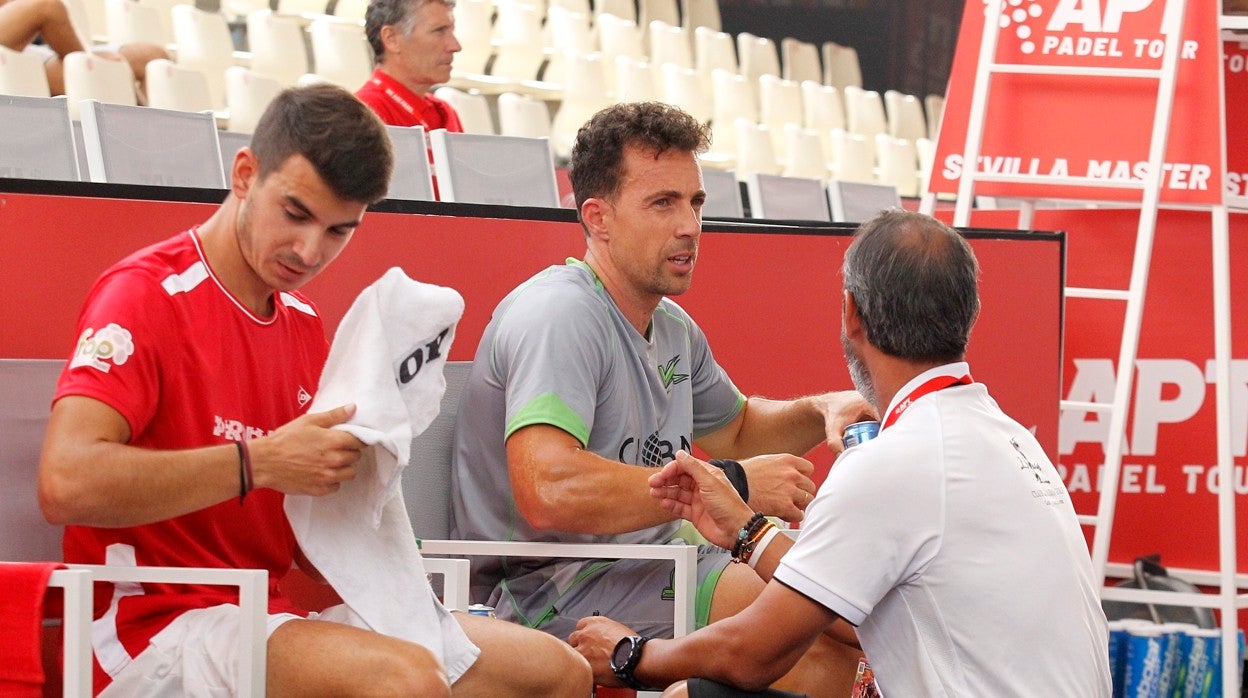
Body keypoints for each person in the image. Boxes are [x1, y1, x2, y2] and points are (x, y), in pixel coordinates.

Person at [37, 83, 590, 696]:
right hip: (143, 631)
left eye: (338, 231)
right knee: (404, 680)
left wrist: (358, 491)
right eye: (296, 214)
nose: (309, 250)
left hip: (262, 618)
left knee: (553, 673)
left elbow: (308, 544)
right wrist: (261, 462)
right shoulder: (145, 295)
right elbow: (66, 484)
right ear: (245, 173)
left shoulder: (302, 323)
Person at [568, 209, 1113, 697]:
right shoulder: (1010, 436)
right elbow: (851, 605)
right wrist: (747, 532)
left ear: (852, 312)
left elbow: (753, 653)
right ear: (968, 312)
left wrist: (631, 656)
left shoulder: (892, 462)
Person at [450, 101, 875, 696]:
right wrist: (733, 485)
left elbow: (741, 428)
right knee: (804, 623)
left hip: (655, 562)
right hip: (546, 589)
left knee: (834, 601)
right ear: (597, 218)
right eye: (662, 203)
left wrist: (821, 408)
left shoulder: (671, 325)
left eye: (695, 202)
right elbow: (547, 490)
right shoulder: (560, 314)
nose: (689, 225)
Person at [0, 0, 167, 99]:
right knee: (47, 5)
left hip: (36, 47)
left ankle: (93, 68)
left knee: (153, 56)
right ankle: (93, 69)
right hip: (15, 48)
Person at [357, 0, 463, 130]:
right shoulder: (362, 114)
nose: (455, 46)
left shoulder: (445, 112)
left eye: (451, 31)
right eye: (439, 31)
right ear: (391, 39)